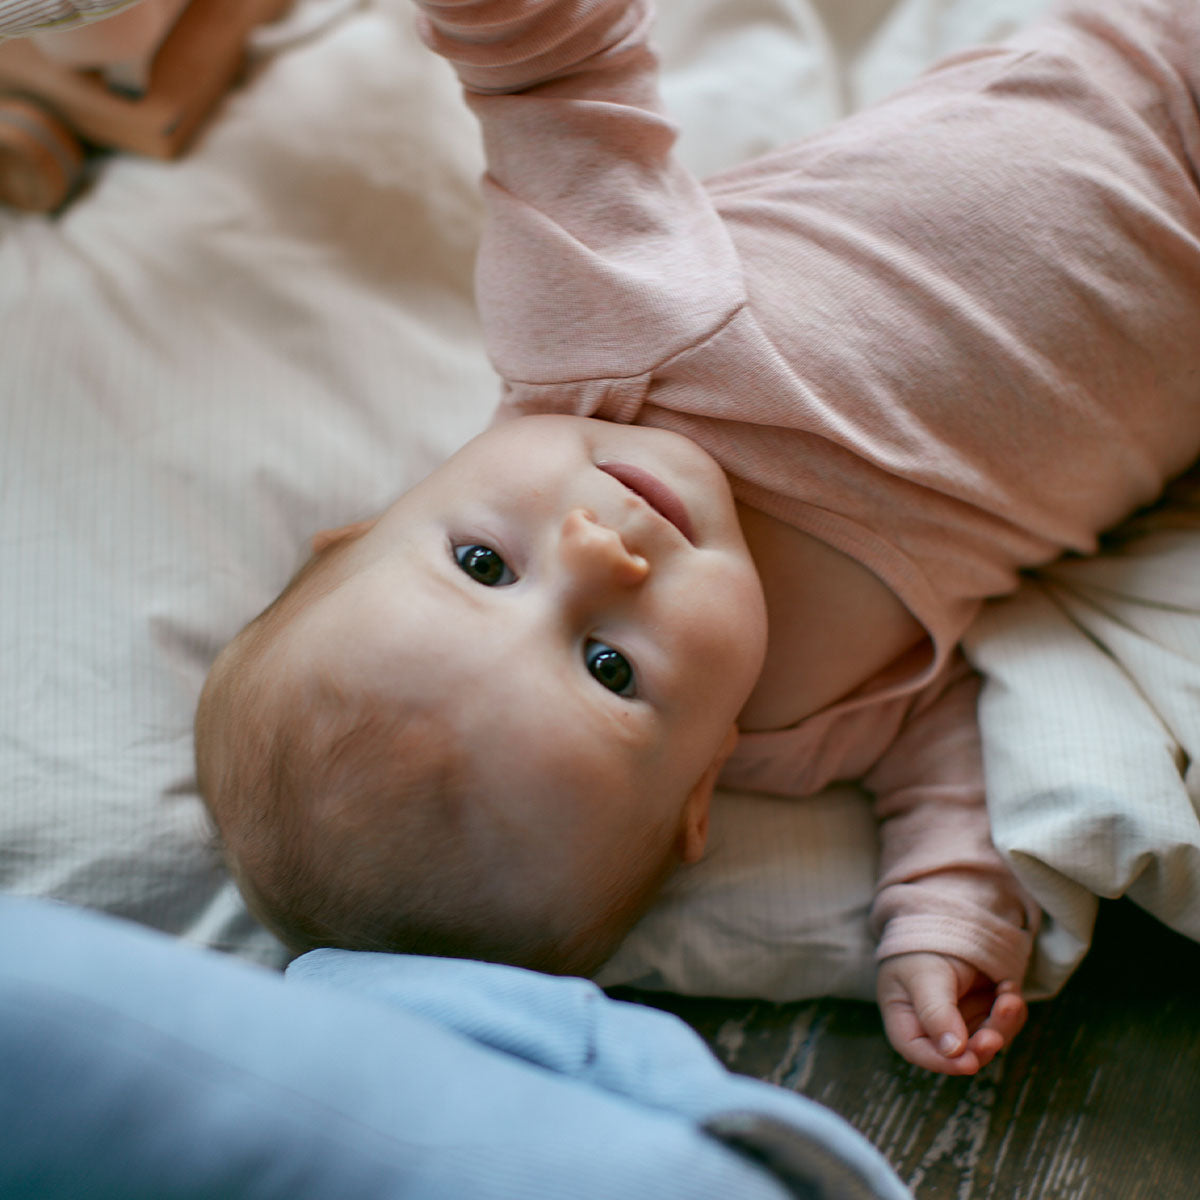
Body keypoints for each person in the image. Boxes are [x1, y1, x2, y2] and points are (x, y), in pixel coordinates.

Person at [195, 0, 1200, 1075]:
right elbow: (946, 747)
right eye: (608, 667)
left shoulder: (599, 339)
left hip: (1155, 94)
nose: (600, 555)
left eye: (483, 564)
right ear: (700, 791)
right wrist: (946, 912)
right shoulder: (801, 723)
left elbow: (556, 82)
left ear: (358, 530)